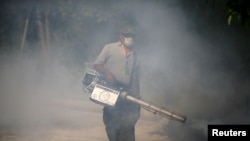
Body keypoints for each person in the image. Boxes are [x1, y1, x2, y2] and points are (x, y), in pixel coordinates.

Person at [93, 27, 141, 141]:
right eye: (128, 36)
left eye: (133, 36)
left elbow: (136, 78)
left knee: (128, 127)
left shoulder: (136, 55)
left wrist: (137, 97)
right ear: (121, 36)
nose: (130, 38)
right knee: (112, 126)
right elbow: (97, 65)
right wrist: (107, 73)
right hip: (111, 92)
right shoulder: (109, 48)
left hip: (128, 95)